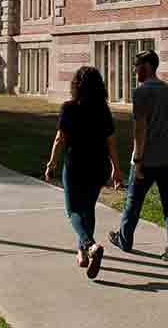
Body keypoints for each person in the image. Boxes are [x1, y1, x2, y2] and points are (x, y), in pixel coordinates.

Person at [44, 65, 124, 279]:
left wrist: (52, 163)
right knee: (88, 210)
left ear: (76, 86)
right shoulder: (103, 110)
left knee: (73, 212)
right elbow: (111, 144)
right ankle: (82, 253)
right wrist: (117, 169)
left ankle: (89, 245)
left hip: (75, 166)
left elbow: (60, 138)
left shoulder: (69, 108)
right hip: (98, 167)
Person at [109, 49, 168, 266]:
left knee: (133, 202)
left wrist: (138, 161)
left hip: (147, 159)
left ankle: (125, 240)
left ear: (147, 66)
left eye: (137, 65)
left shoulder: (141, 92)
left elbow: (139, 130)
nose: (134, 70)